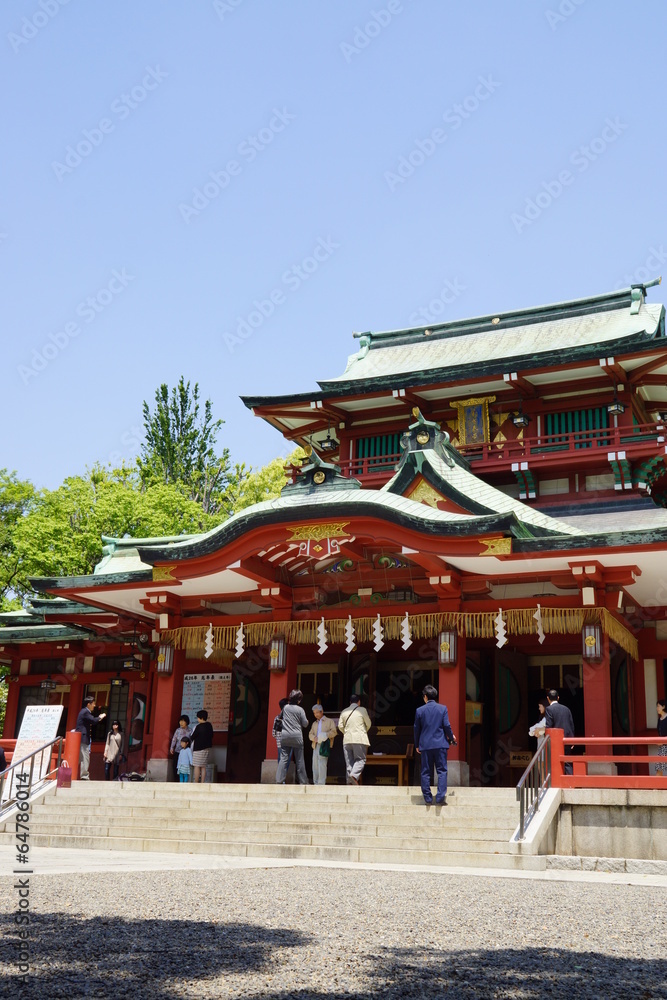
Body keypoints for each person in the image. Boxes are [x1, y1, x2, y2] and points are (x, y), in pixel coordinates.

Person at [414, 685, 457, 805]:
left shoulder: (419, 710)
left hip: (426, 745)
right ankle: (440, 798)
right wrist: (451, 736)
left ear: (425, 697)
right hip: (440, 744)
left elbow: (416, 729)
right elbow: (446, 725)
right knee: (442, 771)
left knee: (425, 771)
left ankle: (427, 798)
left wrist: (417, 744)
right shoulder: (442, 709)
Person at [275, 690, 309, 785]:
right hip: (297, 737)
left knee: (283, 758)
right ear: (298, 700)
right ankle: (303, 781)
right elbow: (305, 724)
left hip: (285, 736)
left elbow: (280, 717)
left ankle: (279, 780)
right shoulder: (300, 710)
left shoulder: (285, 708)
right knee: (299, 760)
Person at [338, 694, 371, 786]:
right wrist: (363, 731)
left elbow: (340, 726)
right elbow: (368, 723)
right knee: (361, 759)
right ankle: (353, 776)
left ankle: (349, 783)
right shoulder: (362, 710)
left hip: (347, 740)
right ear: (359, 702)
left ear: (350, 702)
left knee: (349, 762)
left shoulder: (344, 711)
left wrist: (347, 732)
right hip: (359, 738)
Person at [545, 689, 575, 776]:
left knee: (555, 762)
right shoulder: (566, 709)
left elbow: (549, 726)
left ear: (548, 698)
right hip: (567, 740)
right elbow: (571, 725)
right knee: (567, 762)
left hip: (555, 741)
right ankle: (570, 783)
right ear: (558, 698)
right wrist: (572, 739)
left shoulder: (549, 709)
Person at [75, 696, 107, 780]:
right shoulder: (85, 712)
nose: (94, 705)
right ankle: (84, 776)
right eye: (93, 704)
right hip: (83, 738)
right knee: (85, 757)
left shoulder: (83, 712)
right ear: (88, 704)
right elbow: (93, 721)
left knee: (78, 758)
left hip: (81, 738)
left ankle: (69, 773)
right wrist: (101, 716)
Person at [309, 704, 337, 785]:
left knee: (322, 765)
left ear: (322, 712)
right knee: (315, 765)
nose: (316, 715)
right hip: (315, 745)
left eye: (317, 712)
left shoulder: (329, 721)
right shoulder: (314, 723)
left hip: (324, 745)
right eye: (314, 713)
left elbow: (334, 732)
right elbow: (310, 734)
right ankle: (315, 782)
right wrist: (314, 738)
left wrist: (326, 735)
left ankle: (321, 783)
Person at [191, 710, 214, 783]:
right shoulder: (209, 725)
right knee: (203, 766)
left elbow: (193, 737)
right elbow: (212, 735)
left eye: (198, 718)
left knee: (197, 766)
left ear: (201, 718)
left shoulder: (198, 727)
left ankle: (196, 781)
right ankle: (202, 782)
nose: (197, 719)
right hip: (206, 748)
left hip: (198, 749)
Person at [170, 715, 193, 781]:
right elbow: (174, 739)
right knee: (176, 767)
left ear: (187, 722)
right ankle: (176, 781)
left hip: (186, 753)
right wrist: (172, 747)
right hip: (178, 752)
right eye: (180, 721)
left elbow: (191, 742)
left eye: (183, 721)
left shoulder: (190, 731)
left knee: (185, 769)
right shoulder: (178, 730)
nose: (181, 723)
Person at [657, 699, 667, 776]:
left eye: (658, 706)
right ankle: (657, 786)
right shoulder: (659, 719)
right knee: (659, 767)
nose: (657, 708)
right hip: (661, 747)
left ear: (663, 706)